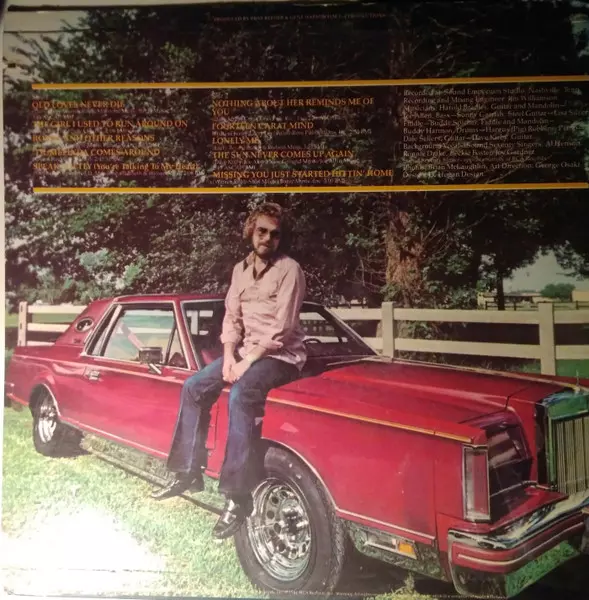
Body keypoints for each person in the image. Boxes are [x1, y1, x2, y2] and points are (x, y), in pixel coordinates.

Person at [151, 202, 307, 540]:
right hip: (243, 351)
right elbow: (232, 319)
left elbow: (281, 330)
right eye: (262, 231)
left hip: (281, 356)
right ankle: (186, 472)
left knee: (241, 394)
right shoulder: (240, 270)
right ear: (251, 230)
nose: (267, 238)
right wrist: (227, 358)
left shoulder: (289, 270)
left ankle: (237, 497)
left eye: (275, 234)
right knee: (193, 386)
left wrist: (245, 364)